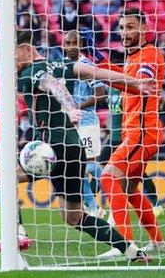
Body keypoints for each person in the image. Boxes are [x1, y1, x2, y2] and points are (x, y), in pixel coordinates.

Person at [0, 31, 151, 263]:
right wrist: (135, 83)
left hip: (50, 148)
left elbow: (52, 85)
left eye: (13, 57)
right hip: (74, 149)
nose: (12, 63)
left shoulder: (31, 71)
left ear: (28, 51)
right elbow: (97, 72)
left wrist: (70, 108)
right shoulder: (63, 64)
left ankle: (17, 233)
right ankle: (132, 251)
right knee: (74, 216)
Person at [93, 9, 165, 255]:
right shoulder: (133, 57)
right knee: (128, 189)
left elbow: (137, 87)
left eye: (131, 27)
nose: (125, 32)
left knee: (108, 177)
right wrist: (98, 60)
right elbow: (125, 78)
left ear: (144, 29)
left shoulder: (149, 56)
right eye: (122, 28)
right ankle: (159, 243)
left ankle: (124, 244)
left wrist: (98, 69)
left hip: (142, 132)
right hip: (135, 132)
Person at [62, 31, 105, 218]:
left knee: (89, 165)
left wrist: (76, 106)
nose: (70, 46)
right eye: (67, 43)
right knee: (76, 167)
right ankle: (95, 208)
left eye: (74, 43)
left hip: (87, 121)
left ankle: (116, 194)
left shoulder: (87, 66)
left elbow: (101, 94)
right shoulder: (62, 66)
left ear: (81, 44)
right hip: (71, 123)